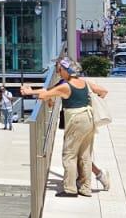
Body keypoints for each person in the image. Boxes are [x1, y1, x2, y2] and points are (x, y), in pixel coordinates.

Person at [22, 58, 109, 198]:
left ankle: (70, 189)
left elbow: (45, 94)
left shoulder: (66, 86)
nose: (58, 73)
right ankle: (86, 188)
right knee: (85, 155)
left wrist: (28, 92)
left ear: (65, 70)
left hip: (75, 119)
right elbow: (103, 91)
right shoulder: (84, 83)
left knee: (69, 154)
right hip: (89, 118)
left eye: (59, 70)